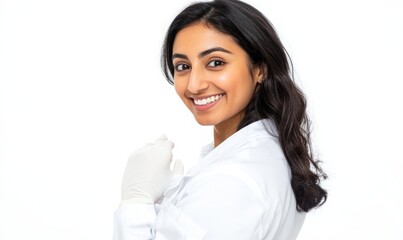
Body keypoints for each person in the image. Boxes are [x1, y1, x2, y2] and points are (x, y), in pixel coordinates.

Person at [113, 0, 327, 239]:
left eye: (216, 63)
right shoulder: (266, 150)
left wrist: (136, 204)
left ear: (260, 69)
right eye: (183, 66)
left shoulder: (231, 182)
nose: (194, 84)